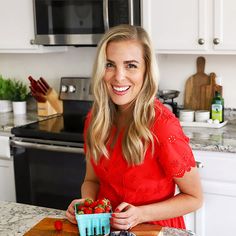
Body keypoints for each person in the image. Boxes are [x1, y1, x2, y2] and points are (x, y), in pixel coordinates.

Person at [66, 24, 203, 230]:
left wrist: (140, 214)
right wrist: (88, 205)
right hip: (107, 228)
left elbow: (194, 198)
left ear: (146, 71)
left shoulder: (162, 126)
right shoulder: (96, 120)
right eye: (109, 65)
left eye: (131, 65)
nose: (119, 76)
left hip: (154, 229)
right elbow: (91, 181)